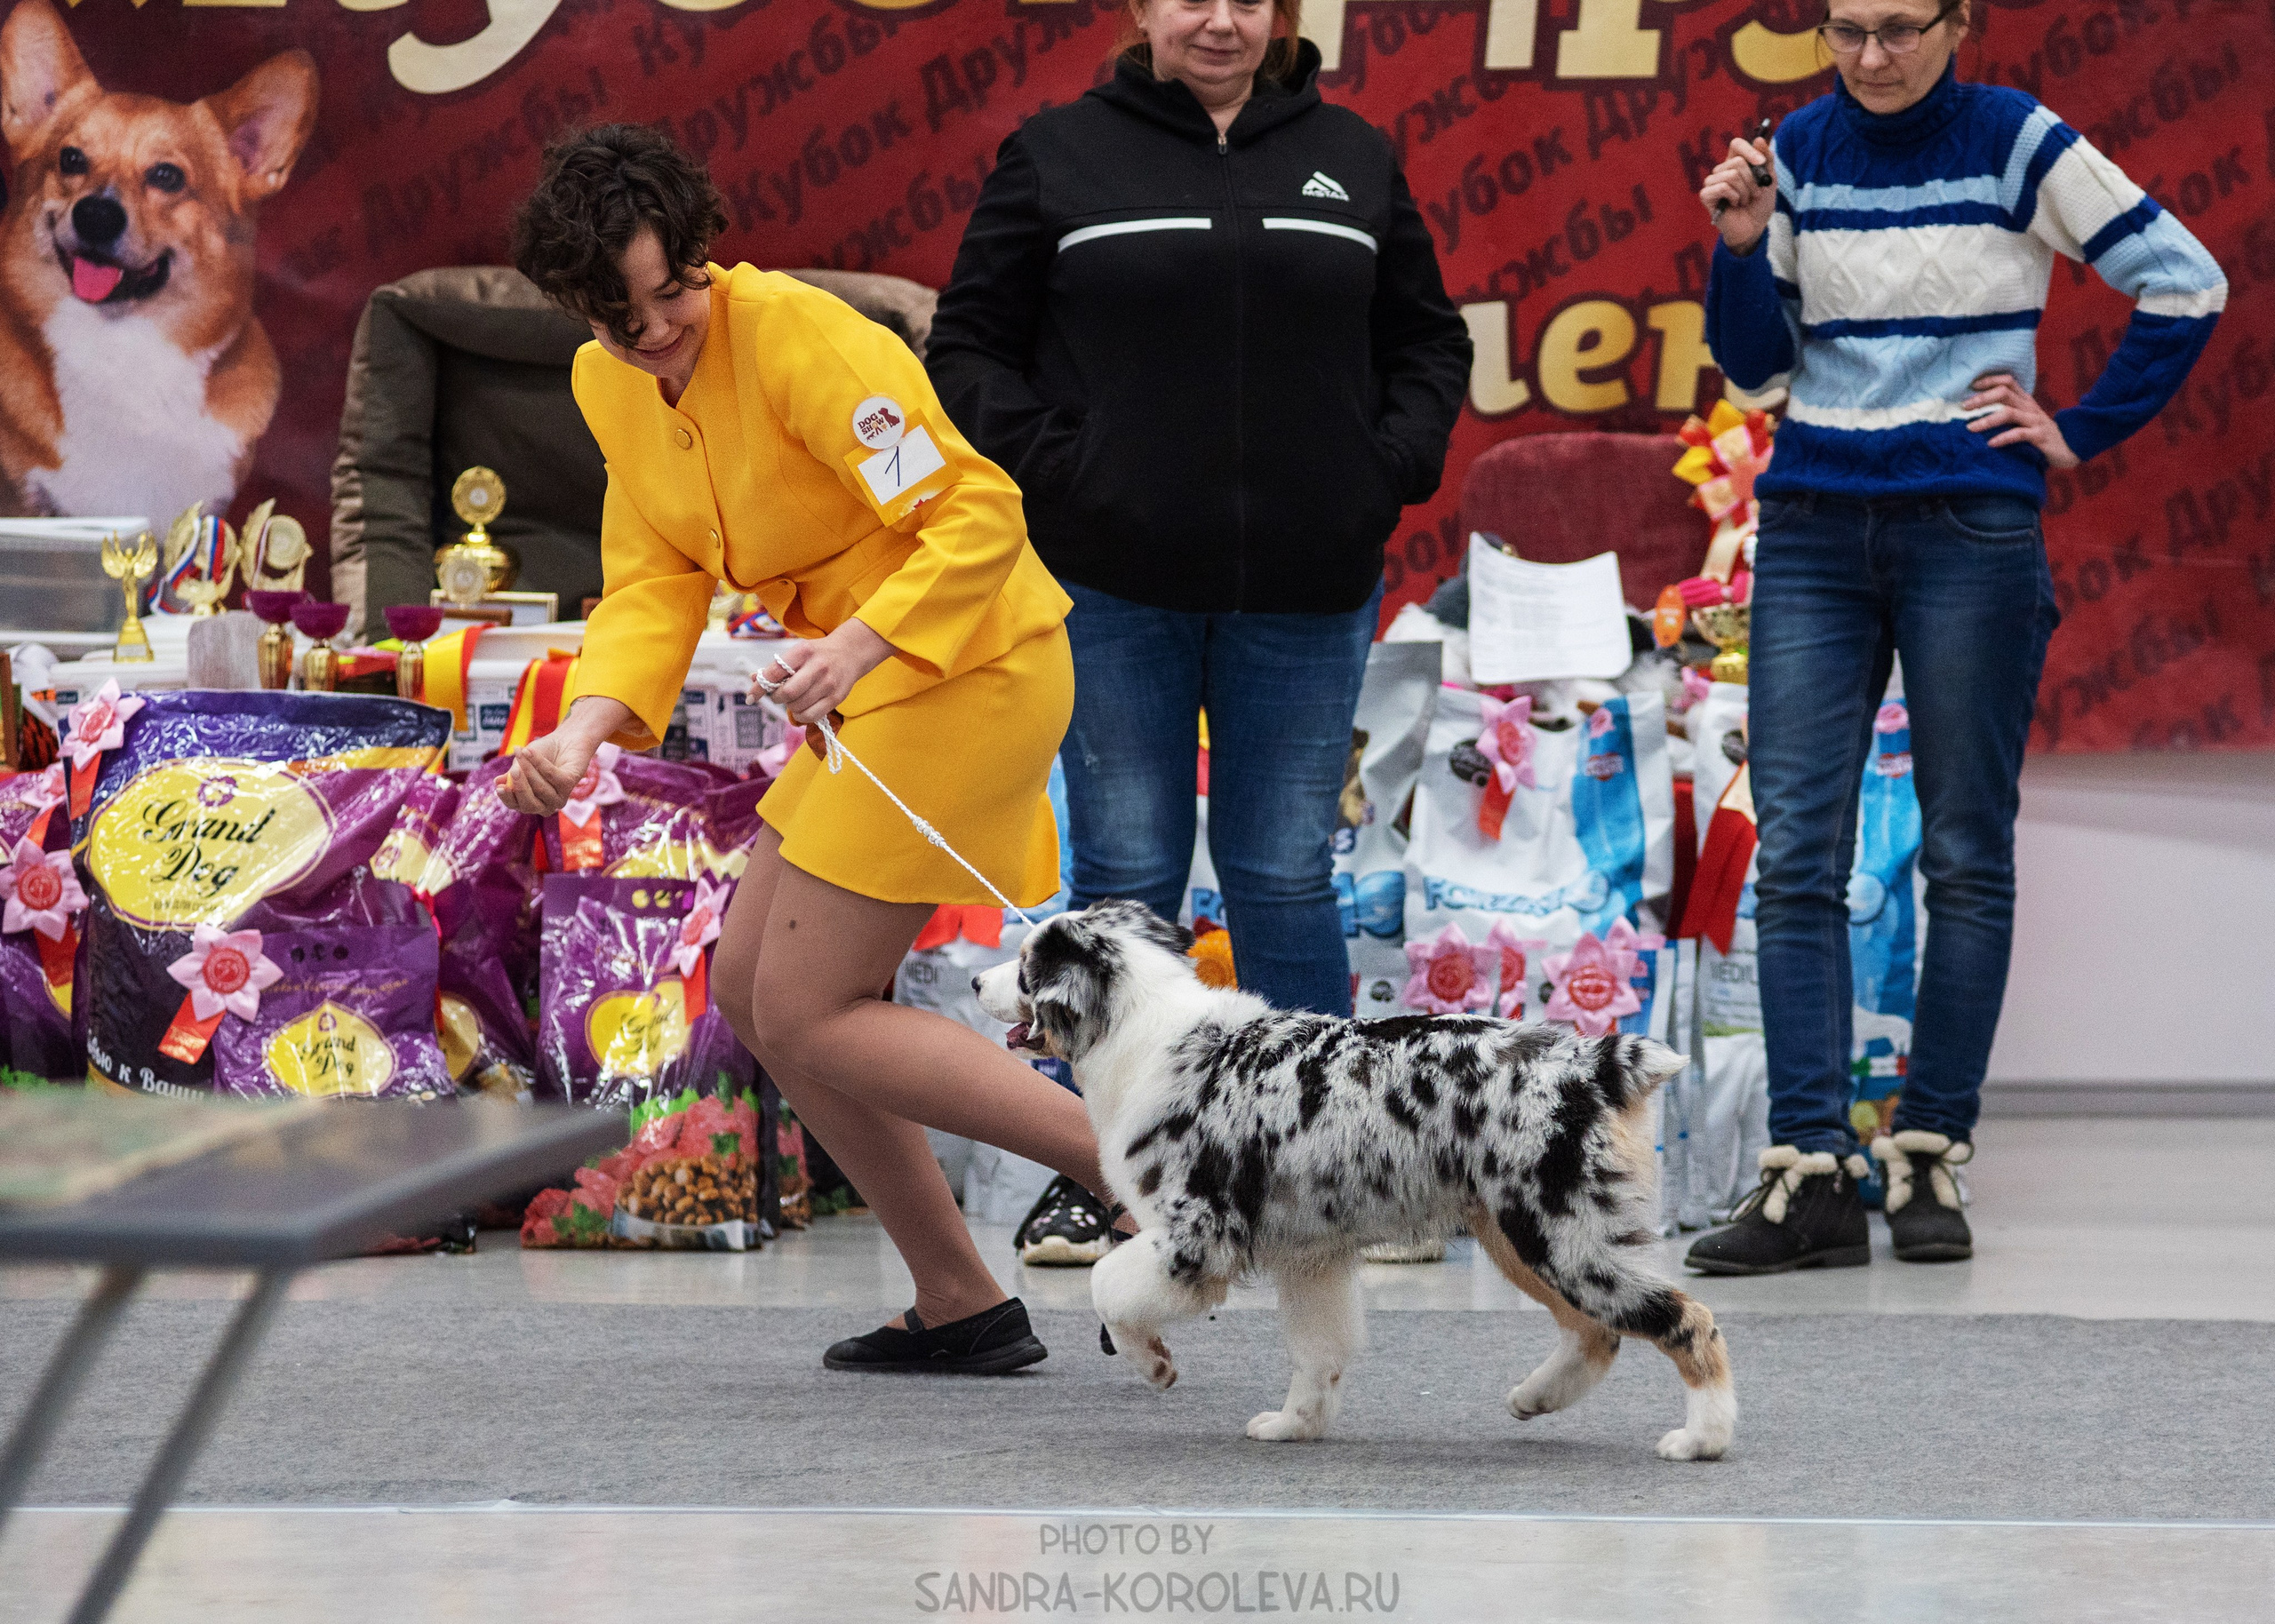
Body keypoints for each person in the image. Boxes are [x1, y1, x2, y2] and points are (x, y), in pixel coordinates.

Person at [504, 124, 1105, 1373]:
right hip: (860, 689)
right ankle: (960, 1302)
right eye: (623, 318)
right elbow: (653, 580)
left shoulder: (810, 338)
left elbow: (977, 511)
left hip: (965, 667)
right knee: (752, 999)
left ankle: (1133, 1160)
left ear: (703, 254)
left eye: (674, 295)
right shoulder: (603, 382)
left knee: (815, 1007)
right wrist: (582, 727)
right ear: (574, 308)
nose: (659, 332)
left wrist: (861, 646)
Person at [1683, 1, 2223, 1273]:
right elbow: (1757, 376)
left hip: (1968, 529)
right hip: (1813, 525)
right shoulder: (1797, 148)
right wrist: (1741, 244)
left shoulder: (2015, 139)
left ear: (1959, 23)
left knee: (1965, 850)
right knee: (1794, 855)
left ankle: (1931, 1151)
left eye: (1902, 29)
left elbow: (2183, 280)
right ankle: (1809, 1174)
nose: (1874, 56)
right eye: (1849, 30)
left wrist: (2076, 428)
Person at [926, 0, 1471, 1262]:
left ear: (1283, 14)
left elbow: (1427, 341)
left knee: (1286, 875)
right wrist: (1068, 469)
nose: (1218, 19)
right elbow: (967, 348)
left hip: (1308, 583)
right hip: (1112, 585)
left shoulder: (1357, 154)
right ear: (1143, 9)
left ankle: (1349, 1176)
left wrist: (1379, 467)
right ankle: (1108, 1178)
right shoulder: (1058, 153)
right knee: (1124, 881)